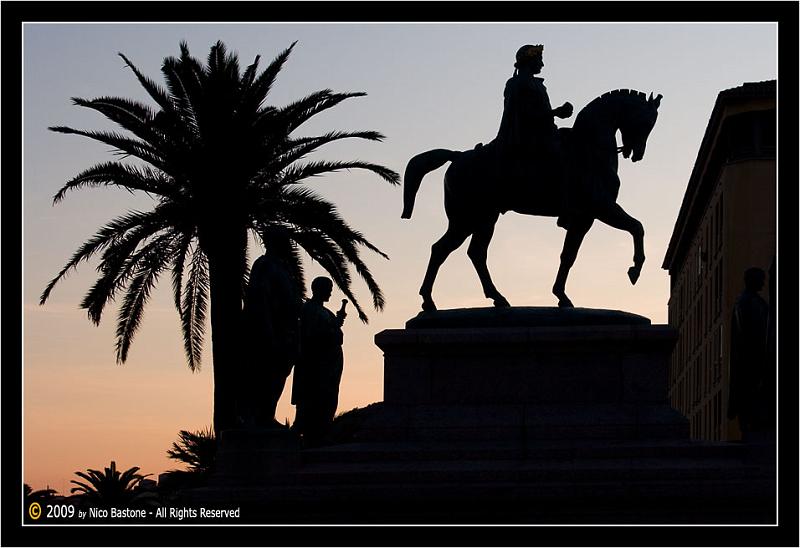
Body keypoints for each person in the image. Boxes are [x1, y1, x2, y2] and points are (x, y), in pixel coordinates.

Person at [495, 44, 573, 197]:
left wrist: (556, 113)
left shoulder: (537, 84)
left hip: (545, 132)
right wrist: (555, 112)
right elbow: (523, 114)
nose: (542, 64)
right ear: (530, 60)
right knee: (561, 154)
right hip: (526, 136)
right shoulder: (517, 83)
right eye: (540, 60)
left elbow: (539, 112)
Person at [240, 251, 303, 428]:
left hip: (285, 330)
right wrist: (267, 329)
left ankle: (266, 415)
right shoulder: (265, 265)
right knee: (264, 374)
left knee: (278, 374)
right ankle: (257, 417)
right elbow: (259, 298)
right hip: (271, 330)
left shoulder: (283, 266)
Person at [291, 277, 347, 447]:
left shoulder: (323, 311)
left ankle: (321, 431)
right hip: (316, 366)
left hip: (328, 366)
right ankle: (313, 434)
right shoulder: (310, 310)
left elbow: (332, 328)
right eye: (328, 288)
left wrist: (337, 323)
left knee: (327, 398)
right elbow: (312, 334)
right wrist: (332, 333)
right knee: (314, 399)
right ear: (319, 289)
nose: (330, 292)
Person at [727, 267, 770, 440]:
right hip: (750, 363)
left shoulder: (757, 302)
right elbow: (747, 335)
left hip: (758, 361)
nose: (764, 282)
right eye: (761, 278)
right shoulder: (744, 303)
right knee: (750, 400)